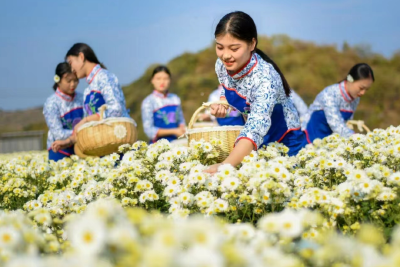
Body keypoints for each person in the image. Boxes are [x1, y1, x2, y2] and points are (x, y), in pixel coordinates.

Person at [205, 11, 308, 174]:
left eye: (234, 48)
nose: (225, 55)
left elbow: (255, 128)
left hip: (286, 145)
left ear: (252, 44)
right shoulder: (221, 66)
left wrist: (224, 166)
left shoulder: (265, 77)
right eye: (219, 47)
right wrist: (223, 102)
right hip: (255, 145)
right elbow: (226, 87)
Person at [65, 43, 131, 139]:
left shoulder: (104, 76)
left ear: (81, 57)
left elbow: (116, 110)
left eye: (71, 63)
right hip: (102, 143)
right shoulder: (88, 89)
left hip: (118, 141)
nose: (72, 69)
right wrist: (68, 141)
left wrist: (86, 120)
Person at [302, 63, 374, 143]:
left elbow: (347, 123)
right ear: (350, 79)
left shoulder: (356, 98)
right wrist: (357, 138)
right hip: (310, 137)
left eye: (366, 89)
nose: (363, 93)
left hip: (331, 141)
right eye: (361, 88)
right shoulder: (330, 93)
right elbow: (336, 124)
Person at [43, 63, 83, 161]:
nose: (73, 84)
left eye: (75, 80)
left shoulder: (82, 98)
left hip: (81, 150)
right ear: (58, 80)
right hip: (59, 152)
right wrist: (82, 133)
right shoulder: (52, 103)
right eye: (69, 81)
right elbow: (58, 134)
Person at [141, 66, 186, 143]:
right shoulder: (148, 102)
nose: (162, 82)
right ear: (152, 80)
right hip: (158, 146)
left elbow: (181, 121)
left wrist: (182, 128)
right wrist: (174, 131)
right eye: (158, 78)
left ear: (170, 80)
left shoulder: (175, 99)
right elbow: (149, 130)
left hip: (177, 143)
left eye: (165, 78)